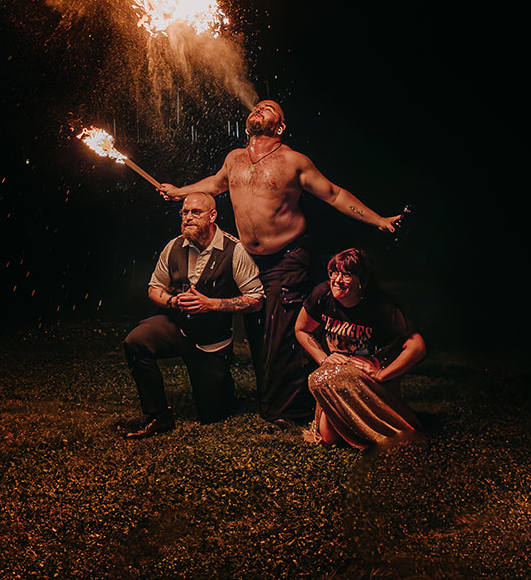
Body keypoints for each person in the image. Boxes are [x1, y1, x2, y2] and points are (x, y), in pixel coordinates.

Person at [157, 99, 403, 425]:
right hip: (249, 261)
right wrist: (179, 191)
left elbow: (334, 194)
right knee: (258, 332)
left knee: (283, 333)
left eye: (269, 108)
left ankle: (288, 409)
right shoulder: (234, 159)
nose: (260, 108)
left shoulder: (293, 161)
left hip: (288, 257)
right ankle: (272, 398)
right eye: (257, 106)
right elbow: (215, 185)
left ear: (280, 126)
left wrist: (380, 220)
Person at [120, 192, 264, 438]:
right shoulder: (174, 246)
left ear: (212, 216)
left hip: (212, 342)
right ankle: (159, 416)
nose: (188, 218)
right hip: (177, 327)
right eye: (184, 212)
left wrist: (212, 304)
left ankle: (223, 387)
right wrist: (172, 300)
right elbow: (154, 288)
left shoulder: (235, 250)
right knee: (136, 341)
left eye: (195, 212)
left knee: (212, 415)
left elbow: (256, 299)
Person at [295, 248, 425, 448]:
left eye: (347, 274)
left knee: (318, 378)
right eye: (333, 273)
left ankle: (382, 425)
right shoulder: (323, 294)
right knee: (329, 438)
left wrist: (383, 373)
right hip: (336, 370)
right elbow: (302, 329)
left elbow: (417, 346)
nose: (337, 280)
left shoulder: (380, 307)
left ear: (362, 280)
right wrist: (323, 358)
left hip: (368, 374)